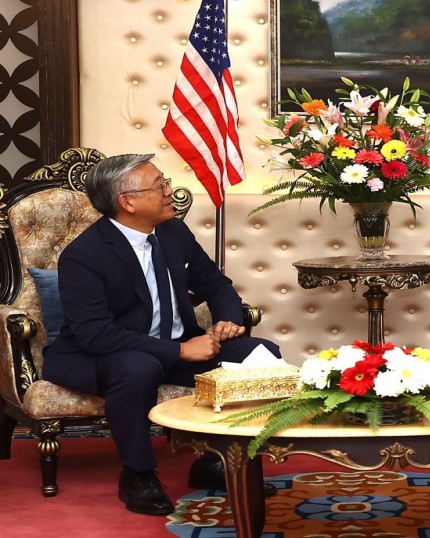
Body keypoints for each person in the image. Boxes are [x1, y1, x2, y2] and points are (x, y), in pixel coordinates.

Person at [43, 153, 282, 516]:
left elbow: (215, 284)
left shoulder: (173, 232)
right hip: (105, 355)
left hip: (174, 346)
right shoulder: (84, 255)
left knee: (260, 354)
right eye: (160, 185)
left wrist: (228, 320)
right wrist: (181, 351)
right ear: (128, 202)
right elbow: (96, 335)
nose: (171, 191)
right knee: (138, 367)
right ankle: (138, 475)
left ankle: (216, 460)